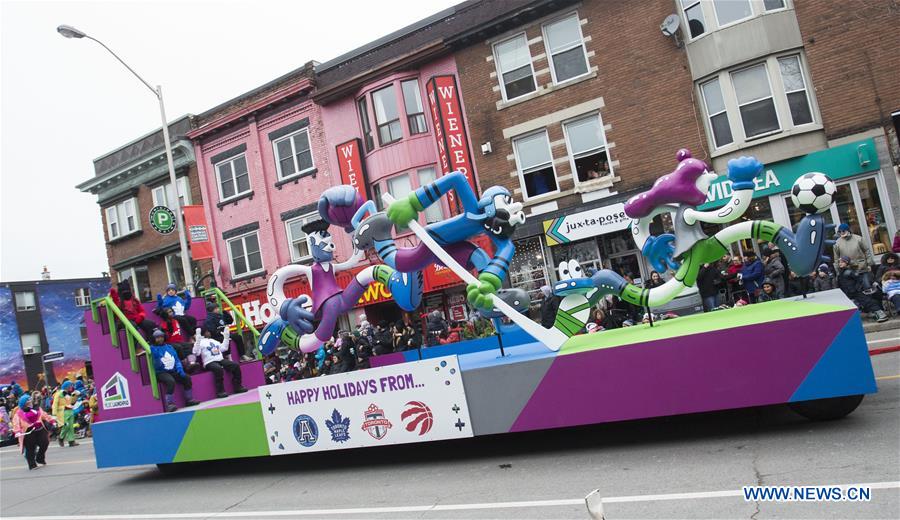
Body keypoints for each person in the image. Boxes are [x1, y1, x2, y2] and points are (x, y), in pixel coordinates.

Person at [149, 330, 199, 412]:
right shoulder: (152, 348)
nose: (160, 339)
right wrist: (156, 357)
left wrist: (179, 368)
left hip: (172, 370)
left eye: (161, 337)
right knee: (170, 381)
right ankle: (170, 404)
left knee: (186, 377)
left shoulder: (169, 347)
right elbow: (157, 366)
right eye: (157, 337)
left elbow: (176, 359)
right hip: (161, 372)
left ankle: (189, 400)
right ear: (154, 339)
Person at [192, 327, 246, 399]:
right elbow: (196, 352)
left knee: (235, 365)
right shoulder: (200, 342)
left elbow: (224, 348)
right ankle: (220, 391)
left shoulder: (213, 340)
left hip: (220, 359)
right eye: (207, 331)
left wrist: (226, 337)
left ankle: (238, 386)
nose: (209, 333)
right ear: (204, 333)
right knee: (218, 369)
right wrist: (198, 340)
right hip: (209, 362)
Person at [836, 257, 888, 322]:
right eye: (839, 262)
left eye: (842, 262)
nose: (840, 263)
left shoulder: (849, 272)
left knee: (867, 302)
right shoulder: (840, 274)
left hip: (855, 292)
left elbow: (859, 280)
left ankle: (880, 314)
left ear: (847, 263)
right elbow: (840, 284)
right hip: (847, 293)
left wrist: (856, 288)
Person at [12, 394, 55, 470]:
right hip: (28, 432)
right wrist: (17, 431)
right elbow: (16, 423)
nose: (30, 401)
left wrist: (51, 420)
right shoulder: (19, 413)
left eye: (30, 399)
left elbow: (44, 415)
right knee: (30, 449)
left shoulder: (37, 408)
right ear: (23, 403)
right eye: (27, 400)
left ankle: (40, 458)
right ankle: (32, 464)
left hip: (40, 430)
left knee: (45, 443)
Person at [833, 223, 876, 288]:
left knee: (867, 286)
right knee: (854, 289)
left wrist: (869, 264)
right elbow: (836, 258)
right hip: (848, 270)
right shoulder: (837, 243)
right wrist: (838, 271)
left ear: (848, 230)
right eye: (840, 231)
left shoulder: (859, 239)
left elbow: (867, 251)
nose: (841, 232)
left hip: (861, 267)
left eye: (843, 231)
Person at [51, 381, 78, 447]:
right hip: (63, 412)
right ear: (67, 386)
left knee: (71, 427)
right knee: (66, 426)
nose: (72, 387)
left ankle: (71, 441)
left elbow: (72, 402)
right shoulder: (58, 393)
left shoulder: (69, 394)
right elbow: (55, 404)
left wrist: (75, 395)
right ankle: (61, 438)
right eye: (70, 386)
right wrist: (54, 414)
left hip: (70, 412)